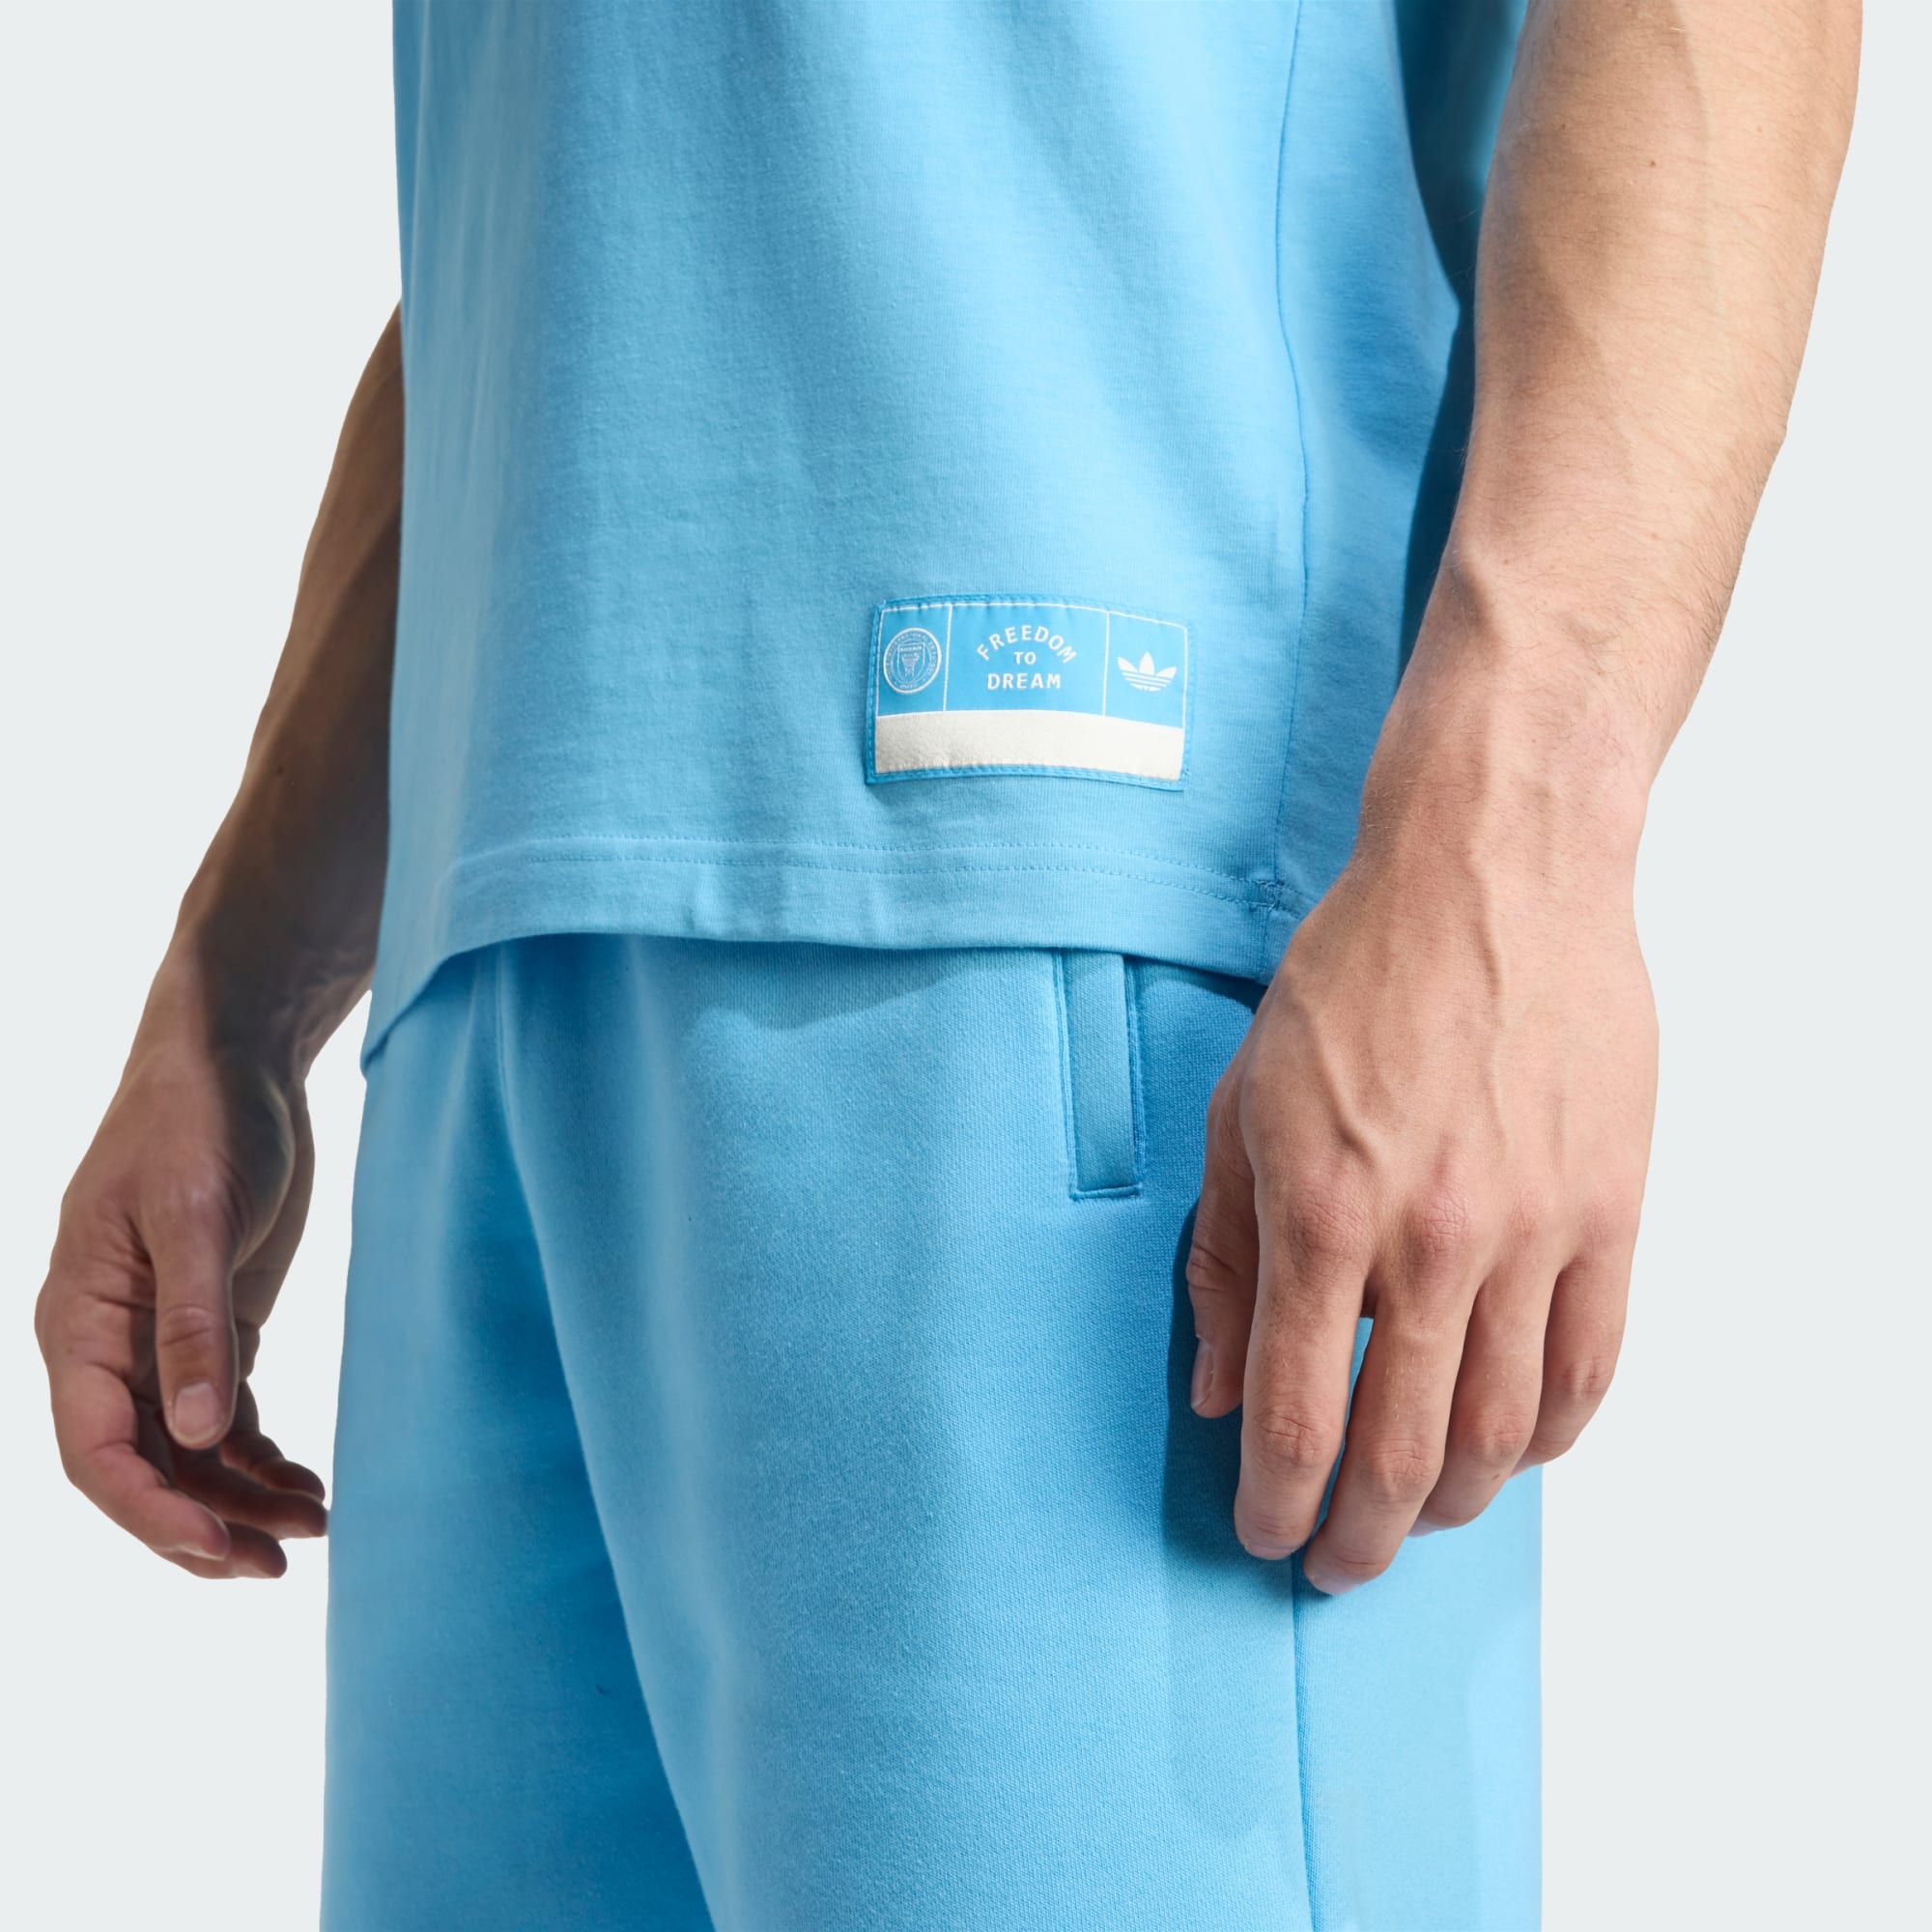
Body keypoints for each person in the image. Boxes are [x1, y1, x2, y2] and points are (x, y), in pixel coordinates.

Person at [34, 2, 1857, 1925]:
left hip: (1084, 915)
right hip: (490, 1004)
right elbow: (553, 201)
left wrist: (1520, 836)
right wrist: (234, 982)